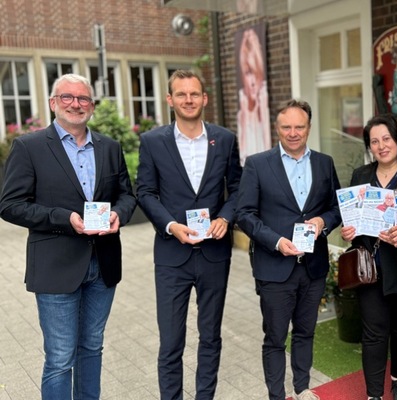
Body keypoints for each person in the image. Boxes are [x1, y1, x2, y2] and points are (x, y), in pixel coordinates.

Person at [0, 73, 136, 399]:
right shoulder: (29, 147)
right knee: (61, 358)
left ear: (92, 105)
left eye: (83, 98)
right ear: (53, 103)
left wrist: (118, 214)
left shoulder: (109, 147)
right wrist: (64, 218)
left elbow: (126, 195)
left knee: (92, 346)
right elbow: (10, 205)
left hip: (103, 264)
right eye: (67, 97)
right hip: (56, 266)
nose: (76, 104)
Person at [136, 70, 242, 400]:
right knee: (171, 342)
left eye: (194, 93)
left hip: (214, 253)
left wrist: (226, 217)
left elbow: (238, 188)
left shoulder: (225, 139)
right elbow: (145, 192)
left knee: (210, 336)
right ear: (170, 99)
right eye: (181, 94)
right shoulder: (153, 141)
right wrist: (171, 225)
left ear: (204, 98)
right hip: (172, 254)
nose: (188, 99)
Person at [236, 99, 342, 400]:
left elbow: (337, 208)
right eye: (286, 127)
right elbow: (244, 214)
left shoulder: (324, 163)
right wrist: (276, 241)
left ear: (309, 128)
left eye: (299, 126)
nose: (293, 133)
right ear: (277, 128)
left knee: (306, 332)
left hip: (313, 267)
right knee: (275, 338)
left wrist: (324, 221)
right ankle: (277, 396)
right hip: (274, 268)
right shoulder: (257, 164)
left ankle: (302, 388)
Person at [341, 114, 397, 400]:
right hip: (371, 268)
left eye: (387, 139)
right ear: (369, 146)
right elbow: (354, 225)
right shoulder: (360, 176)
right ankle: (374, 395)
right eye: (374, 141)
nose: (381, 146)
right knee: (374, 332)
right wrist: (349, 232)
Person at [237, 26, 270, 163]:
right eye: (248, 73)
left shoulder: (264, 106)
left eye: (256, 73)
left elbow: (269, 150)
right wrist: (245, 115)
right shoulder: (242, 113)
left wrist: (262, 110)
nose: (252, 81)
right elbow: (242, 155)